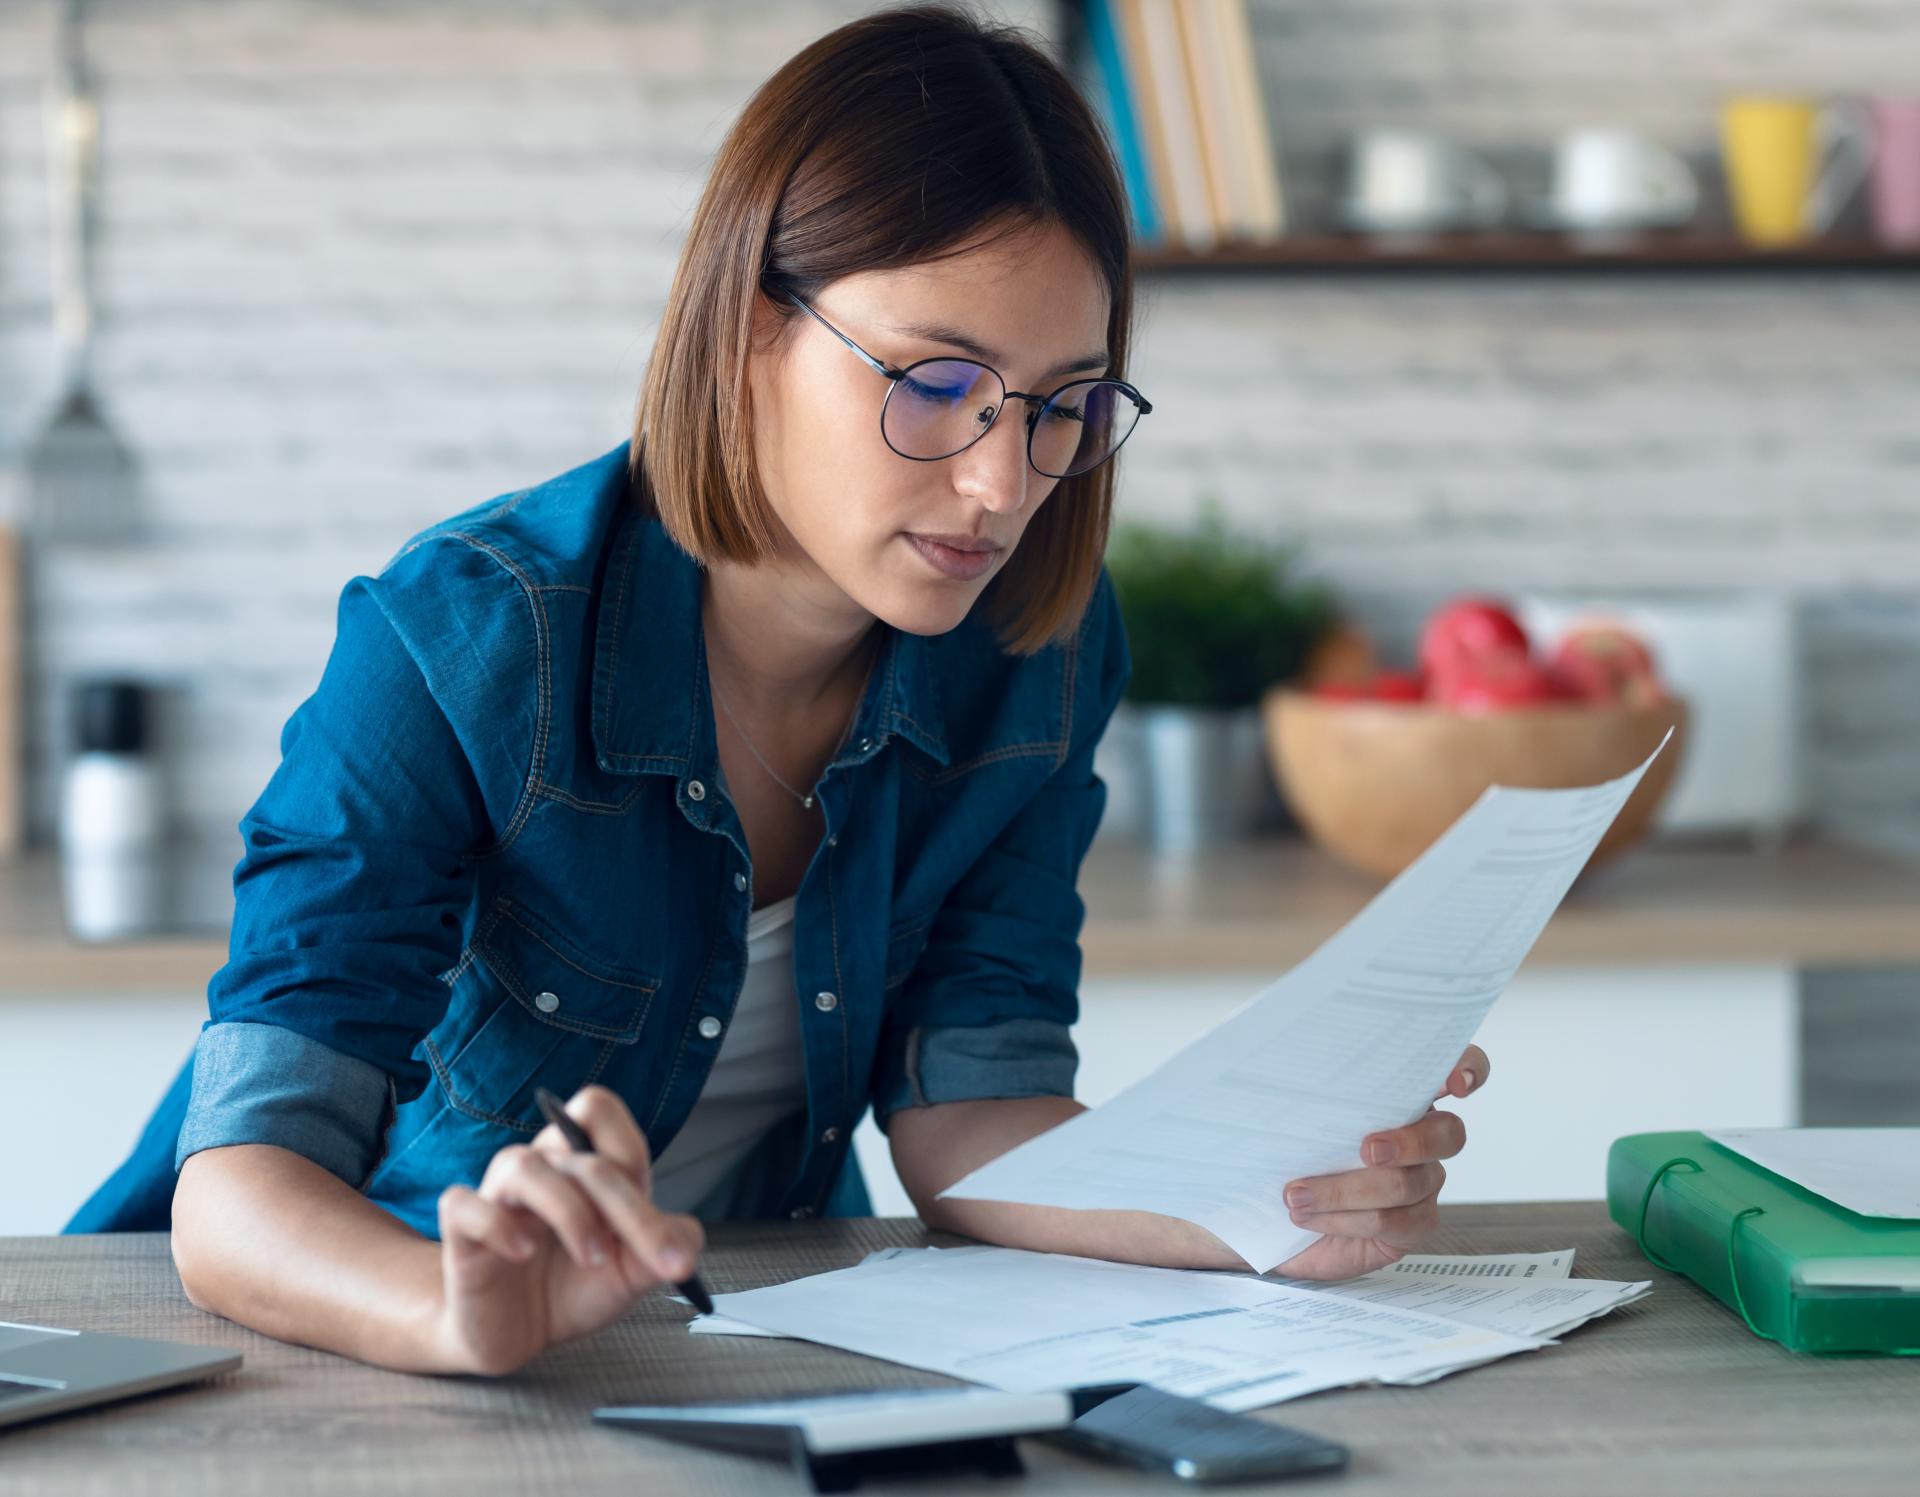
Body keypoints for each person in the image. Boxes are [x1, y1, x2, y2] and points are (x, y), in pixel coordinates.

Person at [66, 4, 1489, 1376]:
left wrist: (1264, 1208)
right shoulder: (461, 641)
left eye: (1066, 405)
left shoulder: (1037, 652)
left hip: (719, 1344)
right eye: (938, 382)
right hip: (334, 1352)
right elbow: (243, 1187)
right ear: (751, 328)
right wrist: (452, 1311)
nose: (1006, 484)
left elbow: (966, 1111)